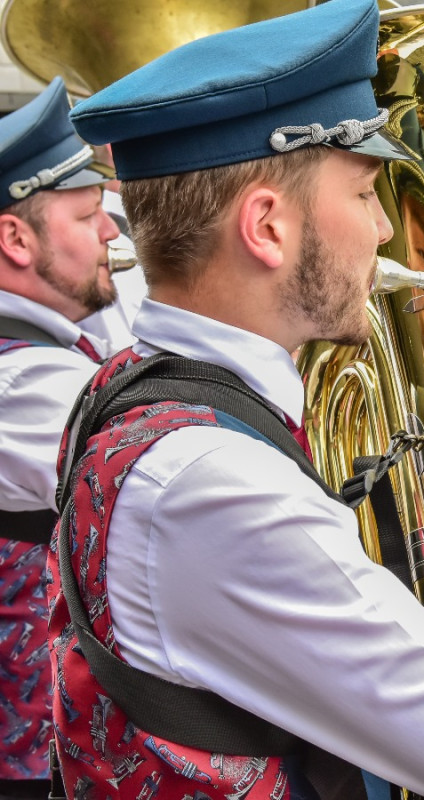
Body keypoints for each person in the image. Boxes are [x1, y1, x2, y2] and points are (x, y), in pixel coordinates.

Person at [49, 2, 424, 799]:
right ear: (268, 226)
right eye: (367, 193)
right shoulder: (214, 483)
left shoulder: (126, 385)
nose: (387, 232)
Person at [0, 78, 119, 800]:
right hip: (31, 765)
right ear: (16, 238)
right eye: (88, 214)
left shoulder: (50, 351)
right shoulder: (23, 383)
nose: (111, 232)